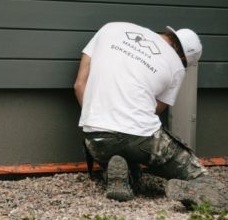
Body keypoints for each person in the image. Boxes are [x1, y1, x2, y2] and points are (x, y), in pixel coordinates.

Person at [74, 21, 227, 209]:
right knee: (194, 170)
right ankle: (202, 189)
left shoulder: (111, 28)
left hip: (96, 138)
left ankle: (122, 174)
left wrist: (98, 117)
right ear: (182, 57)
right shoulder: (176, 67)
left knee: (115, 151)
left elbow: (79, 85)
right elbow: (154, 110)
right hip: (140, 138)